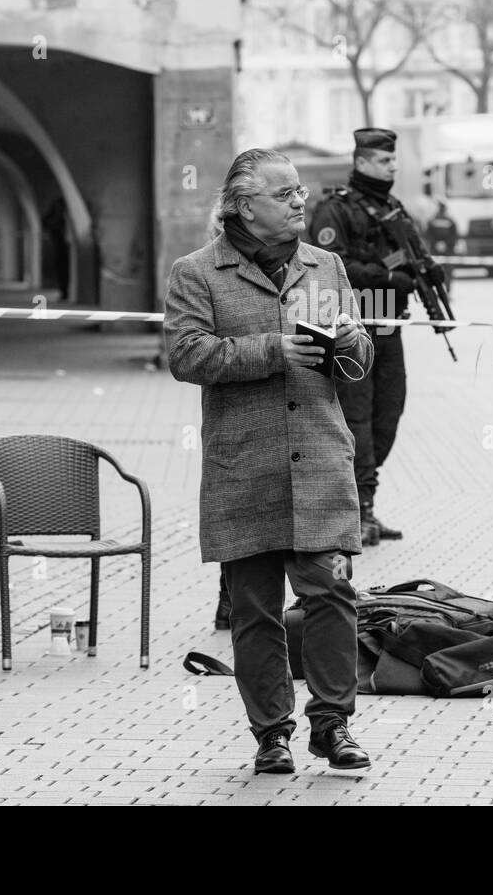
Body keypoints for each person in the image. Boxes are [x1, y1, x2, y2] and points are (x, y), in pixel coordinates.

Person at [164, 148, 375, 775]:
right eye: (284, 194)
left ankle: (333, 724)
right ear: (243, 205)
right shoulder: (198, 272)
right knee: (254, 611)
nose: (299, 201)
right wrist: (272, 350)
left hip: (319, 460)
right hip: (244, 466)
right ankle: (271, 734)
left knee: (331, 594)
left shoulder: (325, 266)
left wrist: (348, 344)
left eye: (299, 192)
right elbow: (186, 355)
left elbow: (360, 360)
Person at [307, 128, 446, 546]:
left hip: (388, 325)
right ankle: (358, 510)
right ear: (362, 162)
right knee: (358, 417)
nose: (392, 168)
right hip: (352, 327)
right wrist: (387, 277)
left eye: (393, 161)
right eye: (385, 162)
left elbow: (408, 256)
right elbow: (332, 265)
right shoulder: (336, 210)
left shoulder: (393, 209)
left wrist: (426, 271)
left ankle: (364, 498)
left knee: (389, 412)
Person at [425, 201, 458, 292]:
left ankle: (441, 292)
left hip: (437, 251)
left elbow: (428, 235)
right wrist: (446, 244)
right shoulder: (450, 220)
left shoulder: (432, 220)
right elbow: (454, 236)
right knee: (447, 272)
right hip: (447, 251)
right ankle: (447, 291)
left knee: (436, 272)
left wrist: (436, 244)